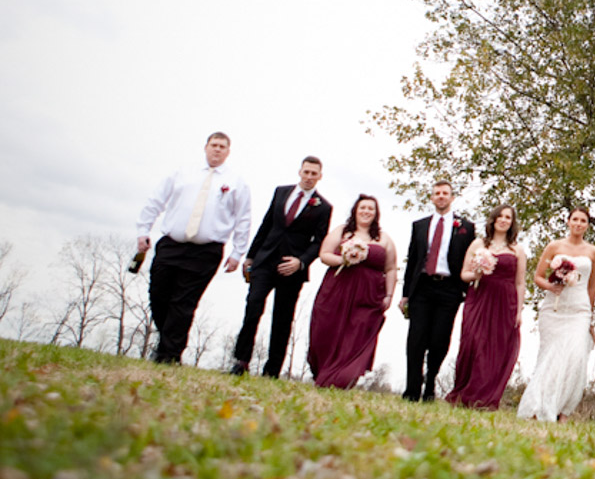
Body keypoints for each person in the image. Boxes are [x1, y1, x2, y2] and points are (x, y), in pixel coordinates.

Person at [135, 132, 252, 365]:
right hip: (171, 244)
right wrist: (143, 230)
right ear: (205, 147)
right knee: (158, 295)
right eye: (213, 145)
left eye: (222, 147)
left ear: (228, 152)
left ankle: (169, 354)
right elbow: (156, 200)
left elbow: (243, 220)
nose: (217, 150)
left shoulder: (236, 182)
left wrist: (237, 253)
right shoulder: (182, 173)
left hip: (206, 250)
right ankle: (166, 344)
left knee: (184, 302)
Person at [230, 156, 332, 378]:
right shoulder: (280, 192)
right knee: (253, 306)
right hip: (265, 261)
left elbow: (319, 242)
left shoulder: (323, 207)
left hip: (292, 268)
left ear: (320, 177)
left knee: (282, 318)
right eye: (306, 172)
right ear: (300, 172)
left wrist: (301, 262)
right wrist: (250, 257)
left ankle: (272, 369)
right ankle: (241, 361)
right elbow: (266, 224)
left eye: (314, 174)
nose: (309, 177)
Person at [518, 207, 595, 422]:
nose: (578, 224)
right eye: (575, 219)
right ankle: (539, 407)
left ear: (587, 225)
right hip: (554, 308)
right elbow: (537, 277)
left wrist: (590, 318)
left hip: (579, 309)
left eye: (583, 221)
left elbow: (592, 287)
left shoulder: (593, 252)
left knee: (575, 358)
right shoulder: (555, 246)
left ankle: (563, 411)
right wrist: (551, 286)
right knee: (551, 357)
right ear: (568, 221)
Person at [307, 195, 398, 388]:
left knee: (357, 336)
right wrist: (344, 259)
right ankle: (322, 372)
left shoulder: (383, 238)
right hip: (336, 291)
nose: (366, 212)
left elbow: (390, 268)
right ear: (355, 210)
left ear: (376, 213)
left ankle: (344, 378)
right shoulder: (342, 231)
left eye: (370, 209)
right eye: (362, 208)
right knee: (325, 331)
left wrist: (389, 295)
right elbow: (324, 255)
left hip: (368, 296)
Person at [400, 180, 476, 402]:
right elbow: (412, 260)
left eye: (445, 193)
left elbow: (468, 260)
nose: (441, 196)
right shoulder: (419, 226)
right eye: (437, 193)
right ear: (432, 198)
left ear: (452, 198)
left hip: (449, 289)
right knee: (416, 339)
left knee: (439, 340)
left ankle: (430, 383)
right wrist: (405, 294)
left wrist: (464, 290)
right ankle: (412, 389)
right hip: (422, 286)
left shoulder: (466, 227)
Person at [447, 205, 528, 410]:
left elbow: (520, 282)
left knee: (497, 349)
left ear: (512, 222)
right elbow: (464, 274)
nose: (503, 220)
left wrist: (518, 311)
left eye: (508, 217)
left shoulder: (517, 249)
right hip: (480, 298)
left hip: (505, 302)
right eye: (500, 216)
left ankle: (486, 398)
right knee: (473, 343)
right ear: (493, 220)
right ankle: (465, 393)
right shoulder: (478, 244)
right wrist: (478, 273)